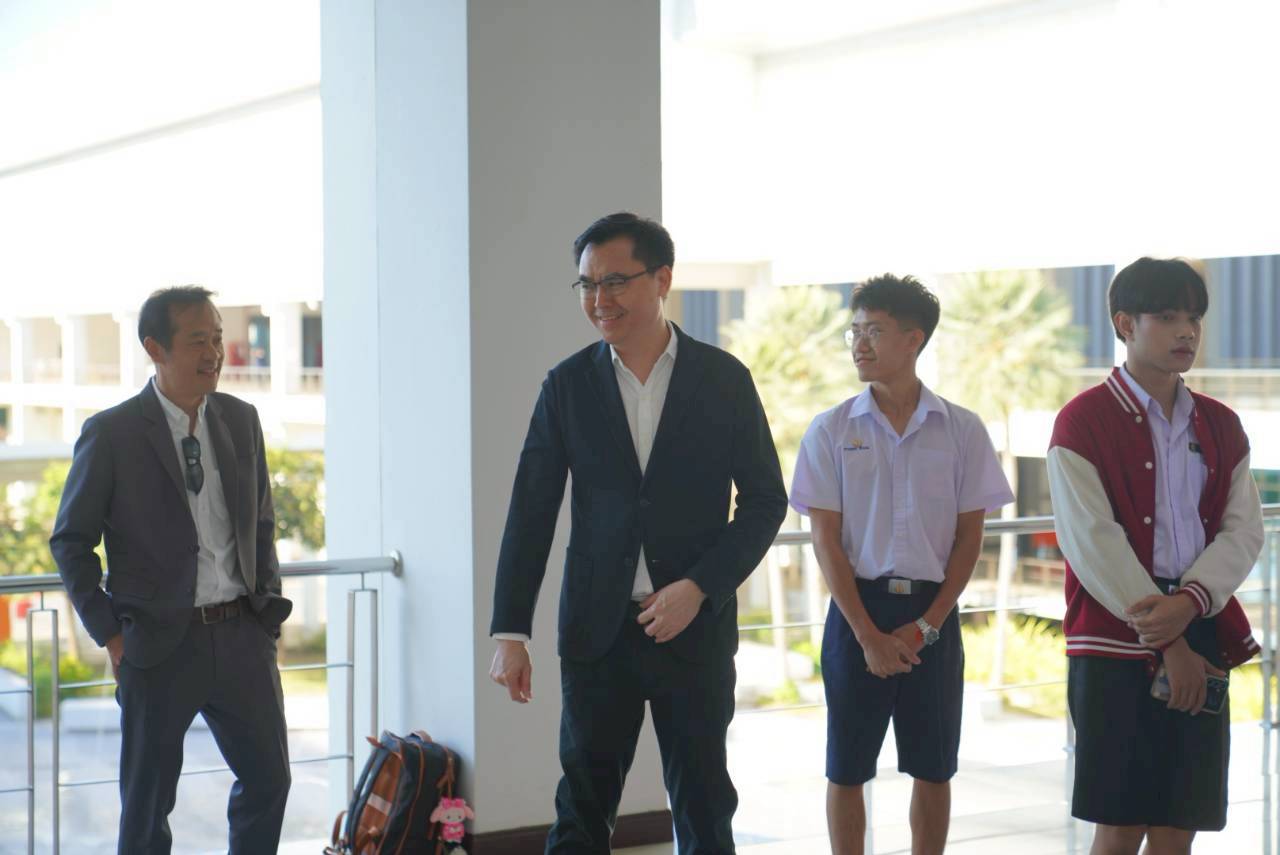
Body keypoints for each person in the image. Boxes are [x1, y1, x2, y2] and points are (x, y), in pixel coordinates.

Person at [488, 212, 788, 853]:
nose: (599, 299)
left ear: (662, 280)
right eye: (587, 284)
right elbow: (531, 512)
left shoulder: (724, 379)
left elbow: (766, 502)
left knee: (704, 809)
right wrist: (511, 632)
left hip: (695, 631)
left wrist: (699, 588)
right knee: (581, 813)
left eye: (616, 281)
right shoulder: (566, 386)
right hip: (597, 635)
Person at [50, 286, 293, 854]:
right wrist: (112, 634)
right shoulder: (112, 433)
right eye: (197, 341)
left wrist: (266, 618)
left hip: (242, 636)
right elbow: (71, 542)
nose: (214, 353)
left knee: (270, 781)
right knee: (148, 806)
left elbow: (261, 523)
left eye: (217, 338)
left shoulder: (241, 419)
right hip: (157, 646)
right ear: (155, 348)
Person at [789, 275, 1013, 855]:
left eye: (874, 331)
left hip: (932, 613)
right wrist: (868, 635)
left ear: (913, 339)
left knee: (934, 767)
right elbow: (825, 541)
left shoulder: (961, 429)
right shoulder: (831, 429)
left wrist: (928, 625)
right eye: (855, 331)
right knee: (847, 767)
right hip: (855, 612)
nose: (859, 344)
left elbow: (969, 539)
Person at [1047, 258, 1263, 855]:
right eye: (1167, 317)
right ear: (1125, 323)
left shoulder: (1221, 424)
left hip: (1200, 621)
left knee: (1177, 827)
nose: (1186, 331)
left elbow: (1243, 530)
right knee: (1120, 826)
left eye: (1194, 318)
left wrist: (1189, 604)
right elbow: (1092, 540)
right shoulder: (1082, 420)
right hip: (1114, 642)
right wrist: (1168, 638)